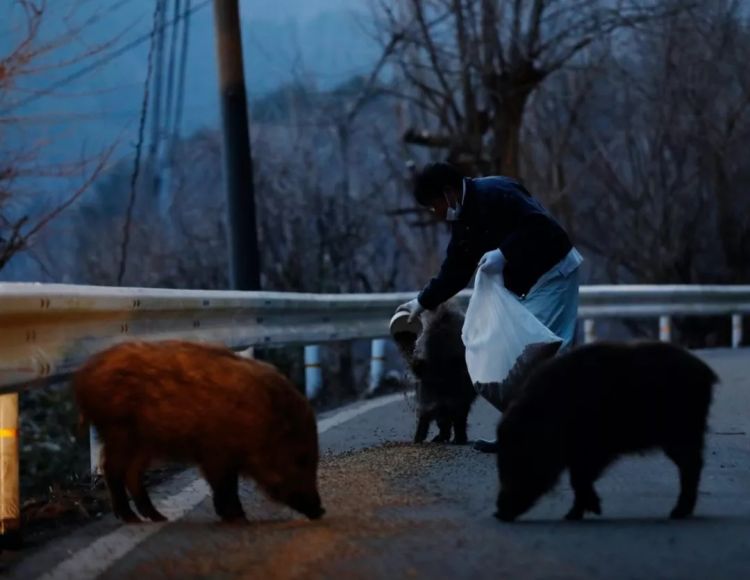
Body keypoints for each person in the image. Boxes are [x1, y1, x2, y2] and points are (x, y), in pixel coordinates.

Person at [396, 162, 583, 453]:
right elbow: (456, 270)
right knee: (511, 354)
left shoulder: (496, 192)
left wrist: (504, 252)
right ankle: (528, 429)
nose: (436, 213)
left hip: (553, 272)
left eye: (434, 206)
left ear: (447, 193)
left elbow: (539, 225)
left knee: (533, 350)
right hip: (527, 283)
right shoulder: (464, 222)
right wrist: (422, 302)